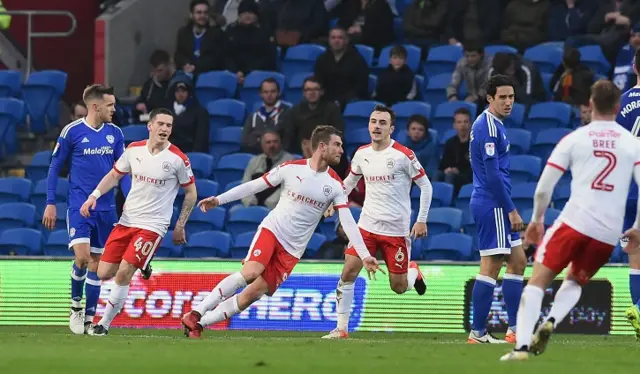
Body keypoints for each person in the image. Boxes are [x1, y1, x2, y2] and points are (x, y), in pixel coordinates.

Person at [181, 125, 383, 338]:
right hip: (273, 230)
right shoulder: (291, 168)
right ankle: (196, 312)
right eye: (337, 145)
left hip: (292, 250)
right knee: (251, 272)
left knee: (253, 294)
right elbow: (254, 186)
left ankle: (200, 324)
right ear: (322, 146)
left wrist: (364, 254)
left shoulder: (335, 185)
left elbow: (348, 221)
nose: (341, 150)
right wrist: (219, 199)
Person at [500, 80, 640, 360]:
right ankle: (552, 319)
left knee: (538, 281)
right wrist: (636, 227)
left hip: (575, 221)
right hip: (607, 233)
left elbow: (544, 187)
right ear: (617, 107)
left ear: (590, 104)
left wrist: (537, 220)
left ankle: (522, 348)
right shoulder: (632, 144)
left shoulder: (576, 139)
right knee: (575, 281)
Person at [81, 108, 197, 336]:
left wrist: (180, 224)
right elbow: (114, 176)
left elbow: (191, 193)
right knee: (104, 273)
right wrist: (93, 196)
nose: (165, 129)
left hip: (153, 225)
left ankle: (103, 325)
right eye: (161, 124)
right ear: (150, 126)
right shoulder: (133, 150)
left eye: (169, 126)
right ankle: (144, 263)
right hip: (127, 221)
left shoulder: (178, 159)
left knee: (124, 272)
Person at [321, 105, 433, 339]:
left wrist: (421, 220)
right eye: (373, 121)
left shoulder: (404, 155)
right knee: (348, 272)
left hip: (396, 230)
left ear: (391, 129)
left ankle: (413, 271)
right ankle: (341, 328)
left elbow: (426, 186)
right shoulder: (362, 154)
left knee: (399, 287)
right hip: (367, 226)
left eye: (382, 123)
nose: (377, 126)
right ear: (368, 125)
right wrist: (333, 200)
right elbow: (350, 182)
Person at [43, 85, 130, 335]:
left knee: (96, 264)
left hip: (106, 209)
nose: (114, 109)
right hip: (79, 205)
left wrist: (132, 196)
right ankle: (75, 307)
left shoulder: (115, 133)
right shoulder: (72, 132)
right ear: (95, 106)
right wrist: (50, 202)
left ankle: (90, 319)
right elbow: (54, 167)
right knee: (81, 258)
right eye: (110, 105)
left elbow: (121, 172)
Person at [468, 75, 526, 344]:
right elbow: (492, 174)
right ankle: (478, 332)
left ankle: (515, 328)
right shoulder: (488, 127)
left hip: (495, 201)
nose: (508, 102)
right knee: (491, 266)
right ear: (489, 98)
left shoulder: (495, 125)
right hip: (492, 203)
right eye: (502, 97)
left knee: (518, 261)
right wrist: (511, 209)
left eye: (511, 97)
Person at [616, 47, 640, 329]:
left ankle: (637, 313)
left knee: (636, 257)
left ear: (634, 67)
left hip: (626, 192)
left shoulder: (620, 103)